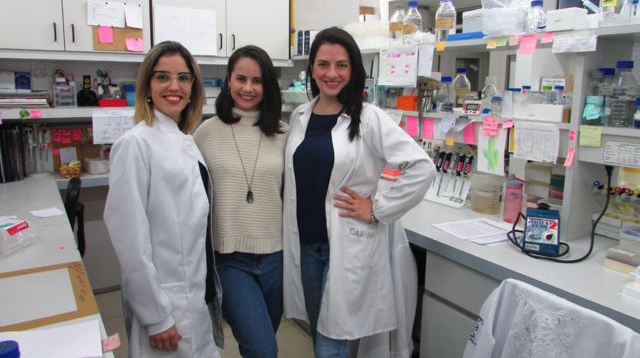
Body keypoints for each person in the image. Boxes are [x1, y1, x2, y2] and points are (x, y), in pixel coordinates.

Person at [283, 27, 436, 357]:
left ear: (353, 70)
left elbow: (422, 167)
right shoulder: (300, 117)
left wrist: (377, 208)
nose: (332, 73)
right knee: (319, 332)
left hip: (346, 246)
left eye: (341, 65)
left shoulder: (368, 118)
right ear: (312, 68)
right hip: (306, 248)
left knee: (330, 345)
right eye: (323, 64)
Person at [104, 41, 223, 357]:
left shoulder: (184, 140)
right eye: (163, 77)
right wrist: (156, 317)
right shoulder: (136, 145)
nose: (175, 86)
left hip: (193, 299)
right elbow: (130, 241)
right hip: (164, 308)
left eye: (184, 78)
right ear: (147, 85)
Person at [194, 45, 288, 358]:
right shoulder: (205, 134)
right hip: (230, 258)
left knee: (262, 343)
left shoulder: (284, 133)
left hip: (276, 256)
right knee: (263, 350)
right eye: (240, 79)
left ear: (268, 86)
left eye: (258, 81)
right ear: (228, 81)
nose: (248, 88)